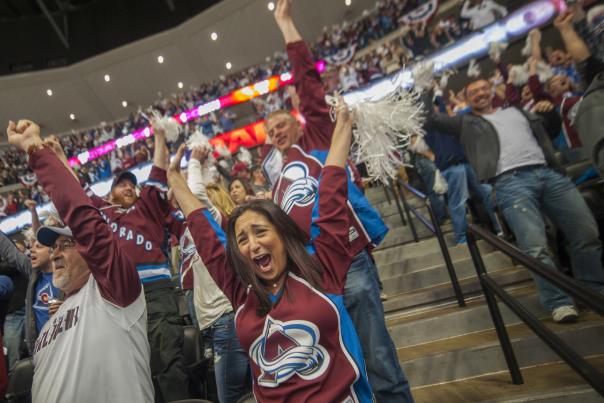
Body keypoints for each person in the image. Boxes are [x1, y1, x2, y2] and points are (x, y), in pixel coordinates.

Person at [168, 99, 373, 402]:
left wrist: (342, 125)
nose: (252, 244)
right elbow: (205, 236)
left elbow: (329, 194)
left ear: (282, 235)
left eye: (260, 232)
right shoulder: (241, 291)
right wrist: (175, 180)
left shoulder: (320, 269)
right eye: (242, 239)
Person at [264, 2, 411, 401]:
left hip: (348, 258)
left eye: (281, 124)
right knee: (344, 361)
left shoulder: (316, 141)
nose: (276, 132)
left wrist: (285, 23)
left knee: (378, 355)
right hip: (312, 273)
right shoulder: (273, 177)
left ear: (298, 123)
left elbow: (309, 83)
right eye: (270, 130)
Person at [421, 68, 604, 323]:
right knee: (535, 247)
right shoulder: (464, 122)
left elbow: (550, 128)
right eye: (473, 92)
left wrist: (546, 108)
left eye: (484, 88)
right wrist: (427, 89)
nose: (480, 94)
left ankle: (593, 290)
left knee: (586, 234)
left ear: (492, 90)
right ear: (466, 98)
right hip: (510, 183)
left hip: (550, 174)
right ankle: (558, 301)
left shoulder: (517, 110)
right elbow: (428, 119)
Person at [6, 119, 154, 402]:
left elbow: (86, 220)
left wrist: (34, 150)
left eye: (66, 244)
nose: (55, 253)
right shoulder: (50, 322)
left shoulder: (115, 292)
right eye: (54, 247)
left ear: (88, 249)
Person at [47, 122, 190, 401]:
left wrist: (159, 135)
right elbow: (74, 191)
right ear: (109, 193)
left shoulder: (148, 205)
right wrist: (60, 158)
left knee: (167, 360)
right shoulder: (101, 213)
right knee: (130, 366)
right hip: (116, 297)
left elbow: (158, 170)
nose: (129, 187)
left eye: (132, 184)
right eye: (122, 184)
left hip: (156, 293)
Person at [184, 146, 251, 403]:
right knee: (245, 391)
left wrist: (193, 163)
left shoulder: (220, 223)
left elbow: (196, 192)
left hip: (226, 319)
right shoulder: (197, 231)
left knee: (229, 397)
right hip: (213, 323)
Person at [0, 202, 62, 369]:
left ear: (54, 251)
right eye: (31, 247)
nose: (31, 251)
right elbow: (8, 251)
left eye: (38, 247)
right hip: (41, 357)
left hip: (65, 354)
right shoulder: (34, 274)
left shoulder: (69, 278)